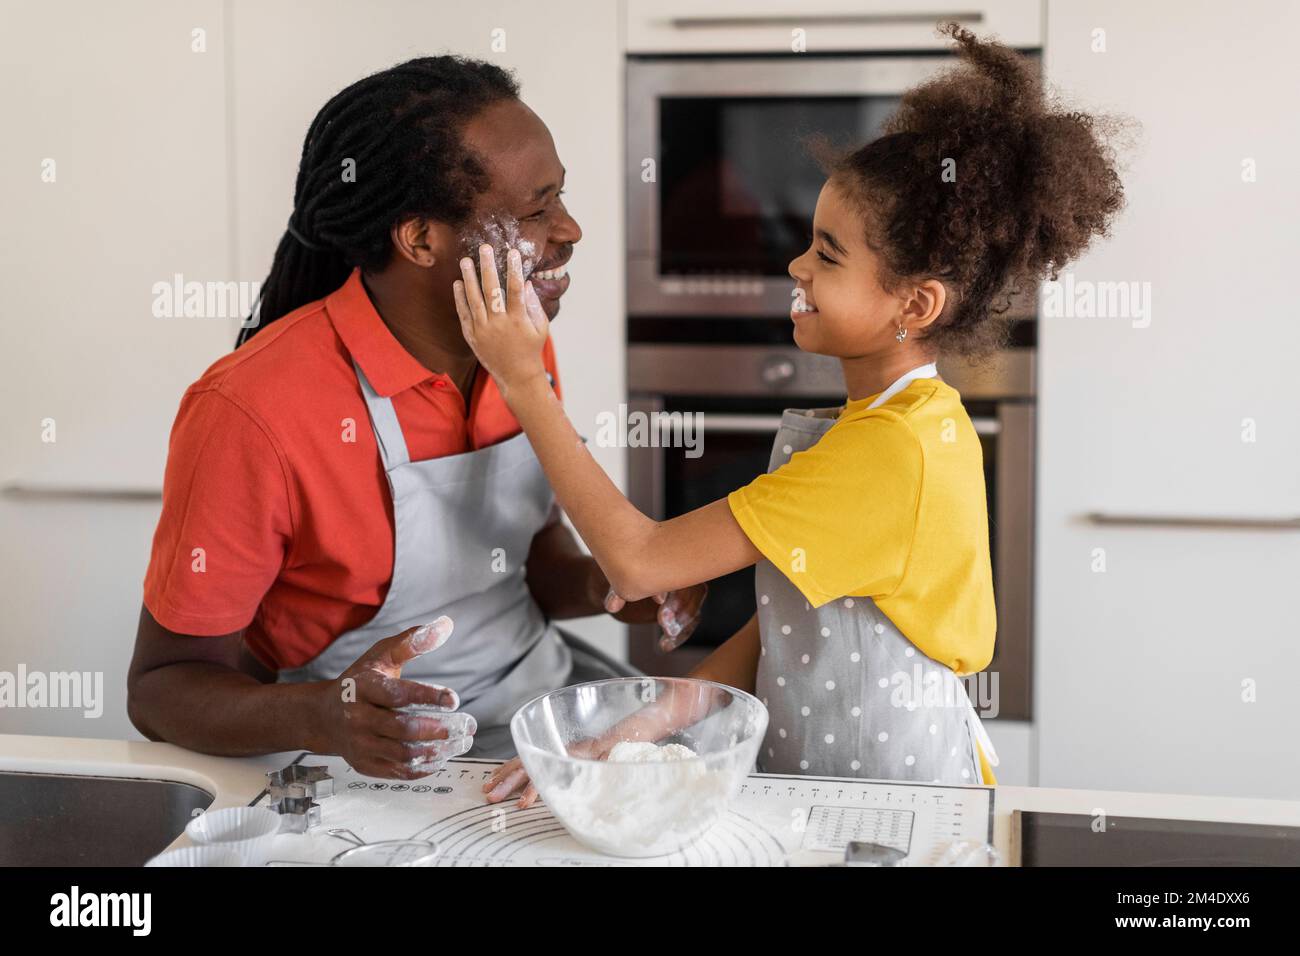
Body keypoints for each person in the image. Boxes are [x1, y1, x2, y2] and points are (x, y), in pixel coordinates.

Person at [466, 24, 1125, 807]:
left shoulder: (889, 454)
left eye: (828, 253)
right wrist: (643, 725)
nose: (796, 266)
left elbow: (638, 561)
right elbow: (787, 621)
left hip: (893, 803)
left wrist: (521, 381)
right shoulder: (896, 420)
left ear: (914, 305)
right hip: (833, 787)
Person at [126, 56, 706, 776]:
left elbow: (521, 563)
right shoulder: (253, 411)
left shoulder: (519, 347)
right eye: (534, 211)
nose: (571, 229)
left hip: (539, 723)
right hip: (358, 770)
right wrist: (324, 715)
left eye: (561, 197)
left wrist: (609, 587)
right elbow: (159, 689)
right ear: (422, 240)